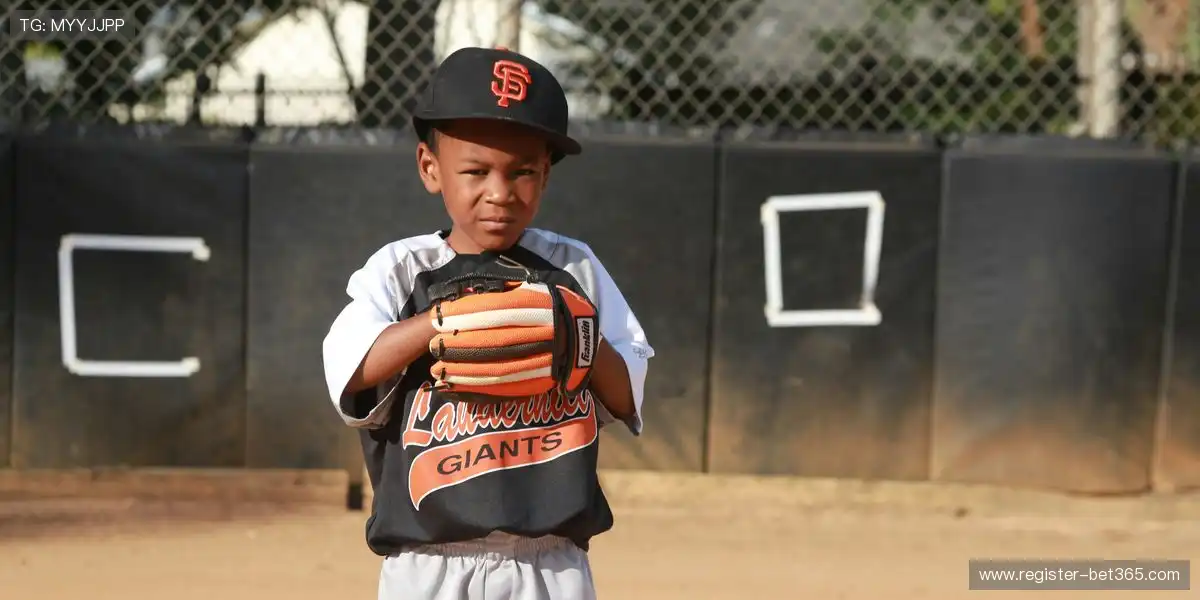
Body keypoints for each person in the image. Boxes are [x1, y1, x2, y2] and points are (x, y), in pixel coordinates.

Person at [321, 46, 655, 600]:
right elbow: (351, 369)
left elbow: (627, 395)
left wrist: (583, 341)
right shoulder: (403, 270)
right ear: (431, 168)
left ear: (545, 175)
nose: (500, 192)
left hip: (552, 559)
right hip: (428, 560)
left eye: (522, 172)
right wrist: (438, 323)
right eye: (475, 171)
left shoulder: (573, 270)